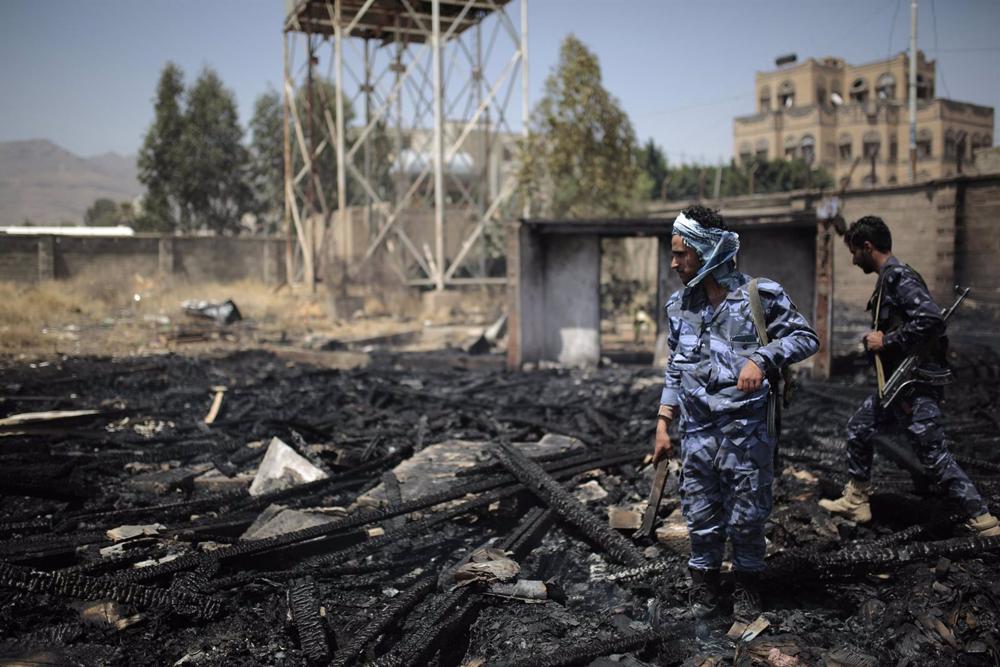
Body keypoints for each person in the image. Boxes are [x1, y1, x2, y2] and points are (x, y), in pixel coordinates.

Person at [653, 206, 819, 622]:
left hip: (745, 433)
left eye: (681, 254)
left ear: (708, 252)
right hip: (696, 432)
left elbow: (806, 337)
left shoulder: (759, 296)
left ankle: (747, 588)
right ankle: (704, 592)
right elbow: (676, 364)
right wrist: (662, 422)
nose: (674, 263)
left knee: (747, 515)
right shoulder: (679, 306)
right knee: (699, 512)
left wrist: (763, 358)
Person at [818, 216, 1000, 536]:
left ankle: (981, 517)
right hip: (897, 385)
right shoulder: (889, 278)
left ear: (867, 247)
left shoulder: (899, 278)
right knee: (860, 427)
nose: (852, 260)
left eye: (854, 253)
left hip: (913, 385)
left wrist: (885, 340)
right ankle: (857, 499)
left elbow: (931, 320)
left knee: (931, 453)